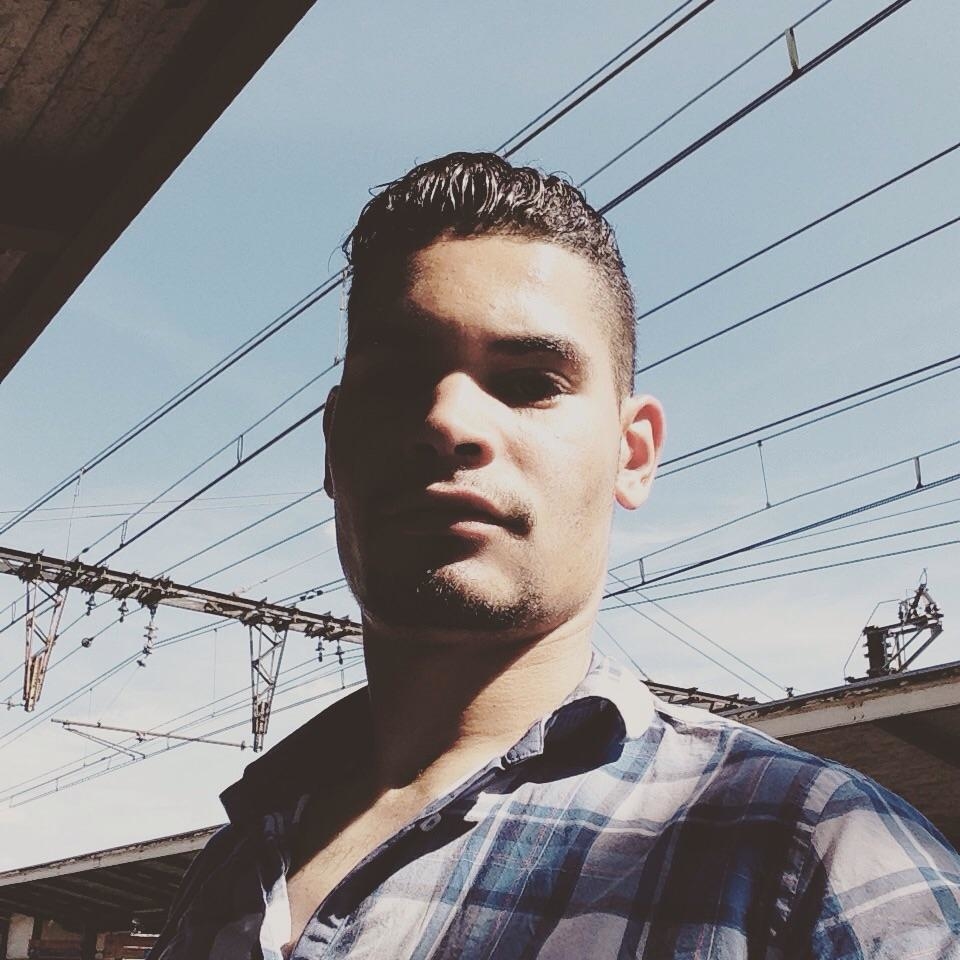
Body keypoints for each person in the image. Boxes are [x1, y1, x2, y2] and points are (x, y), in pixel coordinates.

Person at [150, 153, 960, 960]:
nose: (448, 421)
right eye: (395, 379)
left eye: (532, 381)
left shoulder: (816, 855)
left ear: (633, 454)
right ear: (333, 445)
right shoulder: (238, 856)